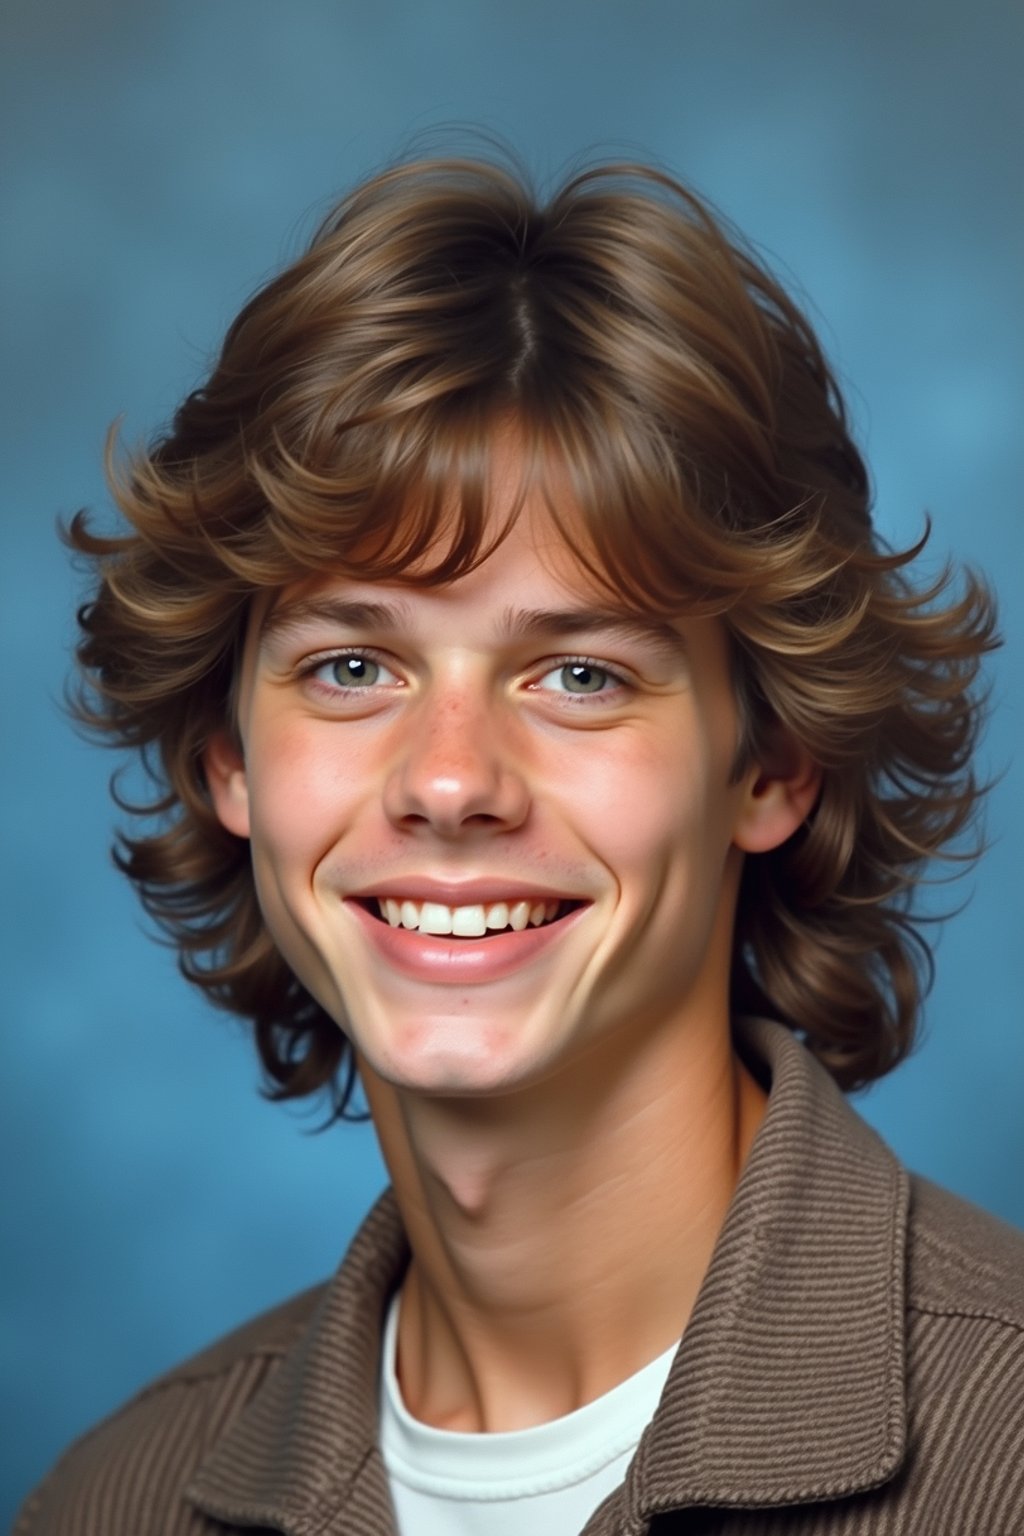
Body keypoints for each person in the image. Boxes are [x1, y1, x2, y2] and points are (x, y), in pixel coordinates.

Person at [16, 155, 1023, 1536]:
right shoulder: (107, 1507)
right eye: (353, 667)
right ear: (228, 761)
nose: (448, 780)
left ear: (774, 765)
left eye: (583, 677)